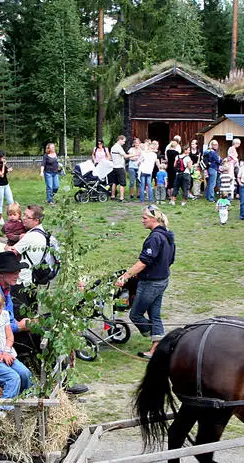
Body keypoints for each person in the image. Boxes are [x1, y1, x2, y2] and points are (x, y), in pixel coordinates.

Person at [115, 204, 175, 359]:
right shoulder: (168, 235)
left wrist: (125, 276)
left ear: (154, 219)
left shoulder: (155, 238)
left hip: (151, 283)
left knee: (135, 314)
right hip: (163, 280)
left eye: (144, 218)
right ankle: (156, 347)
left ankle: (158, 340)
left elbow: (143, 262)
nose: (142, 221)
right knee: (155, 314)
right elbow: (171, 259)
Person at [0, 151, 14, 222]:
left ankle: (12, 216)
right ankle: (0, 218)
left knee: (11, 201)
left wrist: (8, 169)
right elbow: (1, 174)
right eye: (2, 157)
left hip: (6, 184)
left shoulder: (2, 164)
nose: (4, 158)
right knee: (0, 202)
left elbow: (5, 171)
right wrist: (4, 165)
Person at [110, 135, 129, 201]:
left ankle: (112, 196)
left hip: (114, 167)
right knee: (122, 183)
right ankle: (121, 198)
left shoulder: (113, 147)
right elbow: (125, 156)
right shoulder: (118, 147)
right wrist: (136, 154)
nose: (124, 143)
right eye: (124, 141)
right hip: (120, 167)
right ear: (120, 140)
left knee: (114, 182)